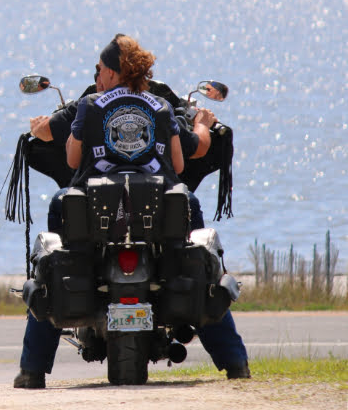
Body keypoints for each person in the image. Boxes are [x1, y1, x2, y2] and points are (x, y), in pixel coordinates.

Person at [14, 34, 249, 389]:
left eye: (100, 69)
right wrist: (201, 124)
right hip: (160, 215)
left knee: (52, 262)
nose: (98, 75)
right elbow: (181, 162)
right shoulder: (161, 106)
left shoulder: (90, 105)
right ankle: (235, 363)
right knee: (202, 262)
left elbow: (73, 160)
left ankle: (32, 370)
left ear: (110, 71)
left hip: (94, 214)